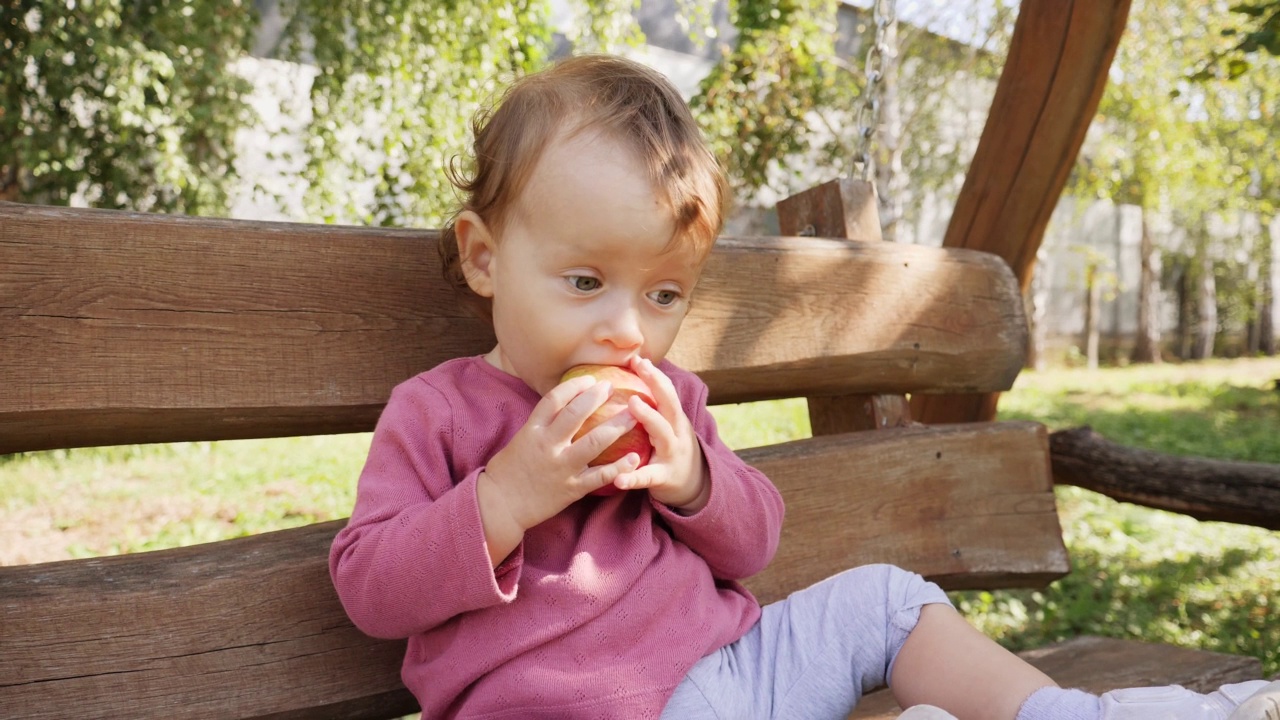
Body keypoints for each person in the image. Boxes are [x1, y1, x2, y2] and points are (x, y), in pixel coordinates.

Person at [329, 53, 1278, 720]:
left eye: (663, 294)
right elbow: (371, 587)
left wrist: (691, 479)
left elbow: (752, 543)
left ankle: (1058, 714)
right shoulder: (440, 412)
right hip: (575, 708)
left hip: (738, 671)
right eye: (585, 282)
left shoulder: (669, 403)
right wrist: (506, 498)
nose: (627, 327)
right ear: (485, 257)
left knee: (885, 600)